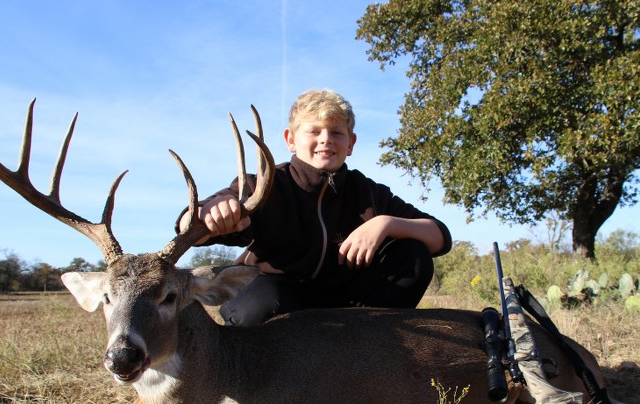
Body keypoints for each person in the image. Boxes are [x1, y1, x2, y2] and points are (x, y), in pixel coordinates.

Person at [178, 89, 452, 326]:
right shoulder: (265, 184)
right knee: (261, 304)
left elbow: (440, 236)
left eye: (337, 132)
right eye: (313, 131)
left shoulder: (367, 193)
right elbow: (189, 225)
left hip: (345, 306)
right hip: (277, 296)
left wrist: (386, 224)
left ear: (351, 143)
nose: (326, 139)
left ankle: (366, 355)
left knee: (412, 255)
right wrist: (211, 213)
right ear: (291, 140)